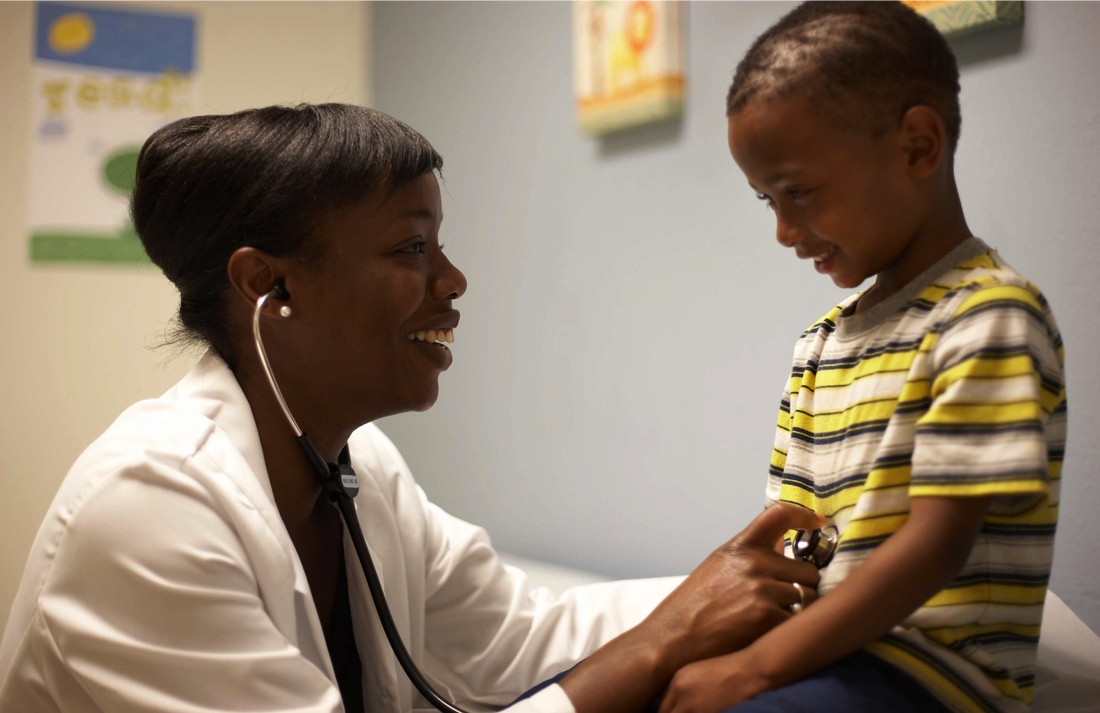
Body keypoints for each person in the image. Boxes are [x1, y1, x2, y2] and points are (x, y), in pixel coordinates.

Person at [0, 103, 824, 713]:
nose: (454, 280)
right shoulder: (151, 504)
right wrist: (663, 640)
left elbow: (518, 635)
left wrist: (768, 582)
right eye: (412, 246)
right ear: (267, 283)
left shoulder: (359, 469)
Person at [656, 2, 1067, 713]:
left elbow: (933, 550)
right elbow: (800, 543)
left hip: (933, 678)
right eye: (767, 201)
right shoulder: (819, 347)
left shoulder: (987, 315)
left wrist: (752, 669)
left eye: (800, 192)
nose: (784, 230)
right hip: (827, 654)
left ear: (917, 147)